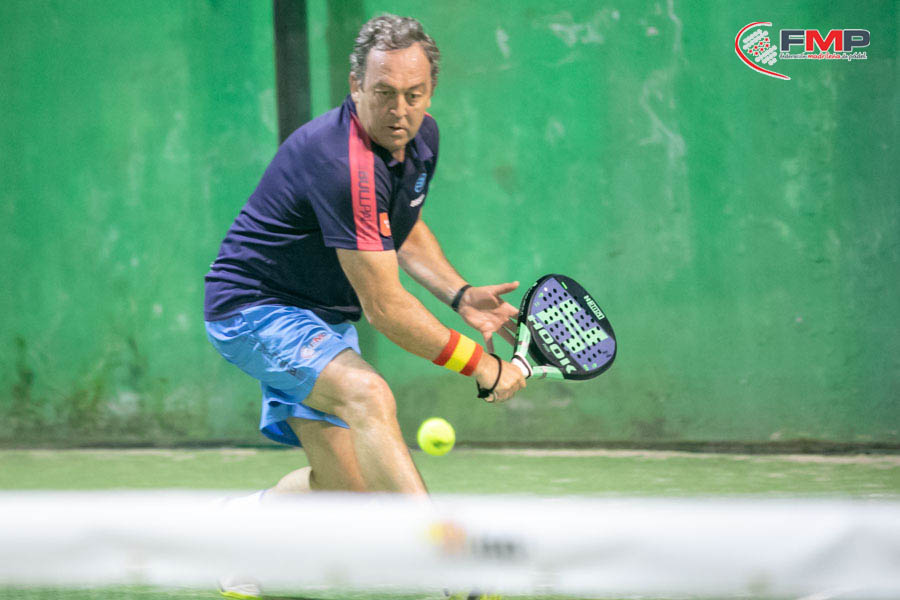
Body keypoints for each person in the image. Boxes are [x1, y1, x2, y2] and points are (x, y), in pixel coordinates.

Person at [204, 13, 526, 504]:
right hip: (256, 308)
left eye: (414, 94)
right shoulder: (344, 164)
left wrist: (459, 294)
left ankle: (234, 521)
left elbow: (399, 227)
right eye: (384, 93)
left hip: (322, 315)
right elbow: (386, 309)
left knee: (342, 490)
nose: (400, 110)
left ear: (431, 93)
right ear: (356, 85)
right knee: (368, 394)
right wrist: (481, 364)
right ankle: (437, 544)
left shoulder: (422, 138)